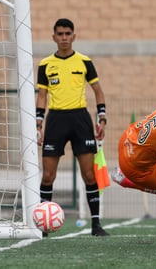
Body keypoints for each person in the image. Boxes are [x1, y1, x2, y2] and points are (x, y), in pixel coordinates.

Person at [36, 18, 109, 236]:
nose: (64, 38)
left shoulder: (84, 61)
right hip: (56, 120)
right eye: (60, 34)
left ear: (73, 36)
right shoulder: (45, 64)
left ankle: (96, 225)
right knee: (48, 175)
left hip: (80, 120)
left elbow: (98, 91)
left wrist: (102, 118)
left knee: (88, 175)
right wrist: (38, 122)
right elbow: (42, 95)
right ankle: (43, 227)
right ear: (54, 37)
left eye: (68, 34)